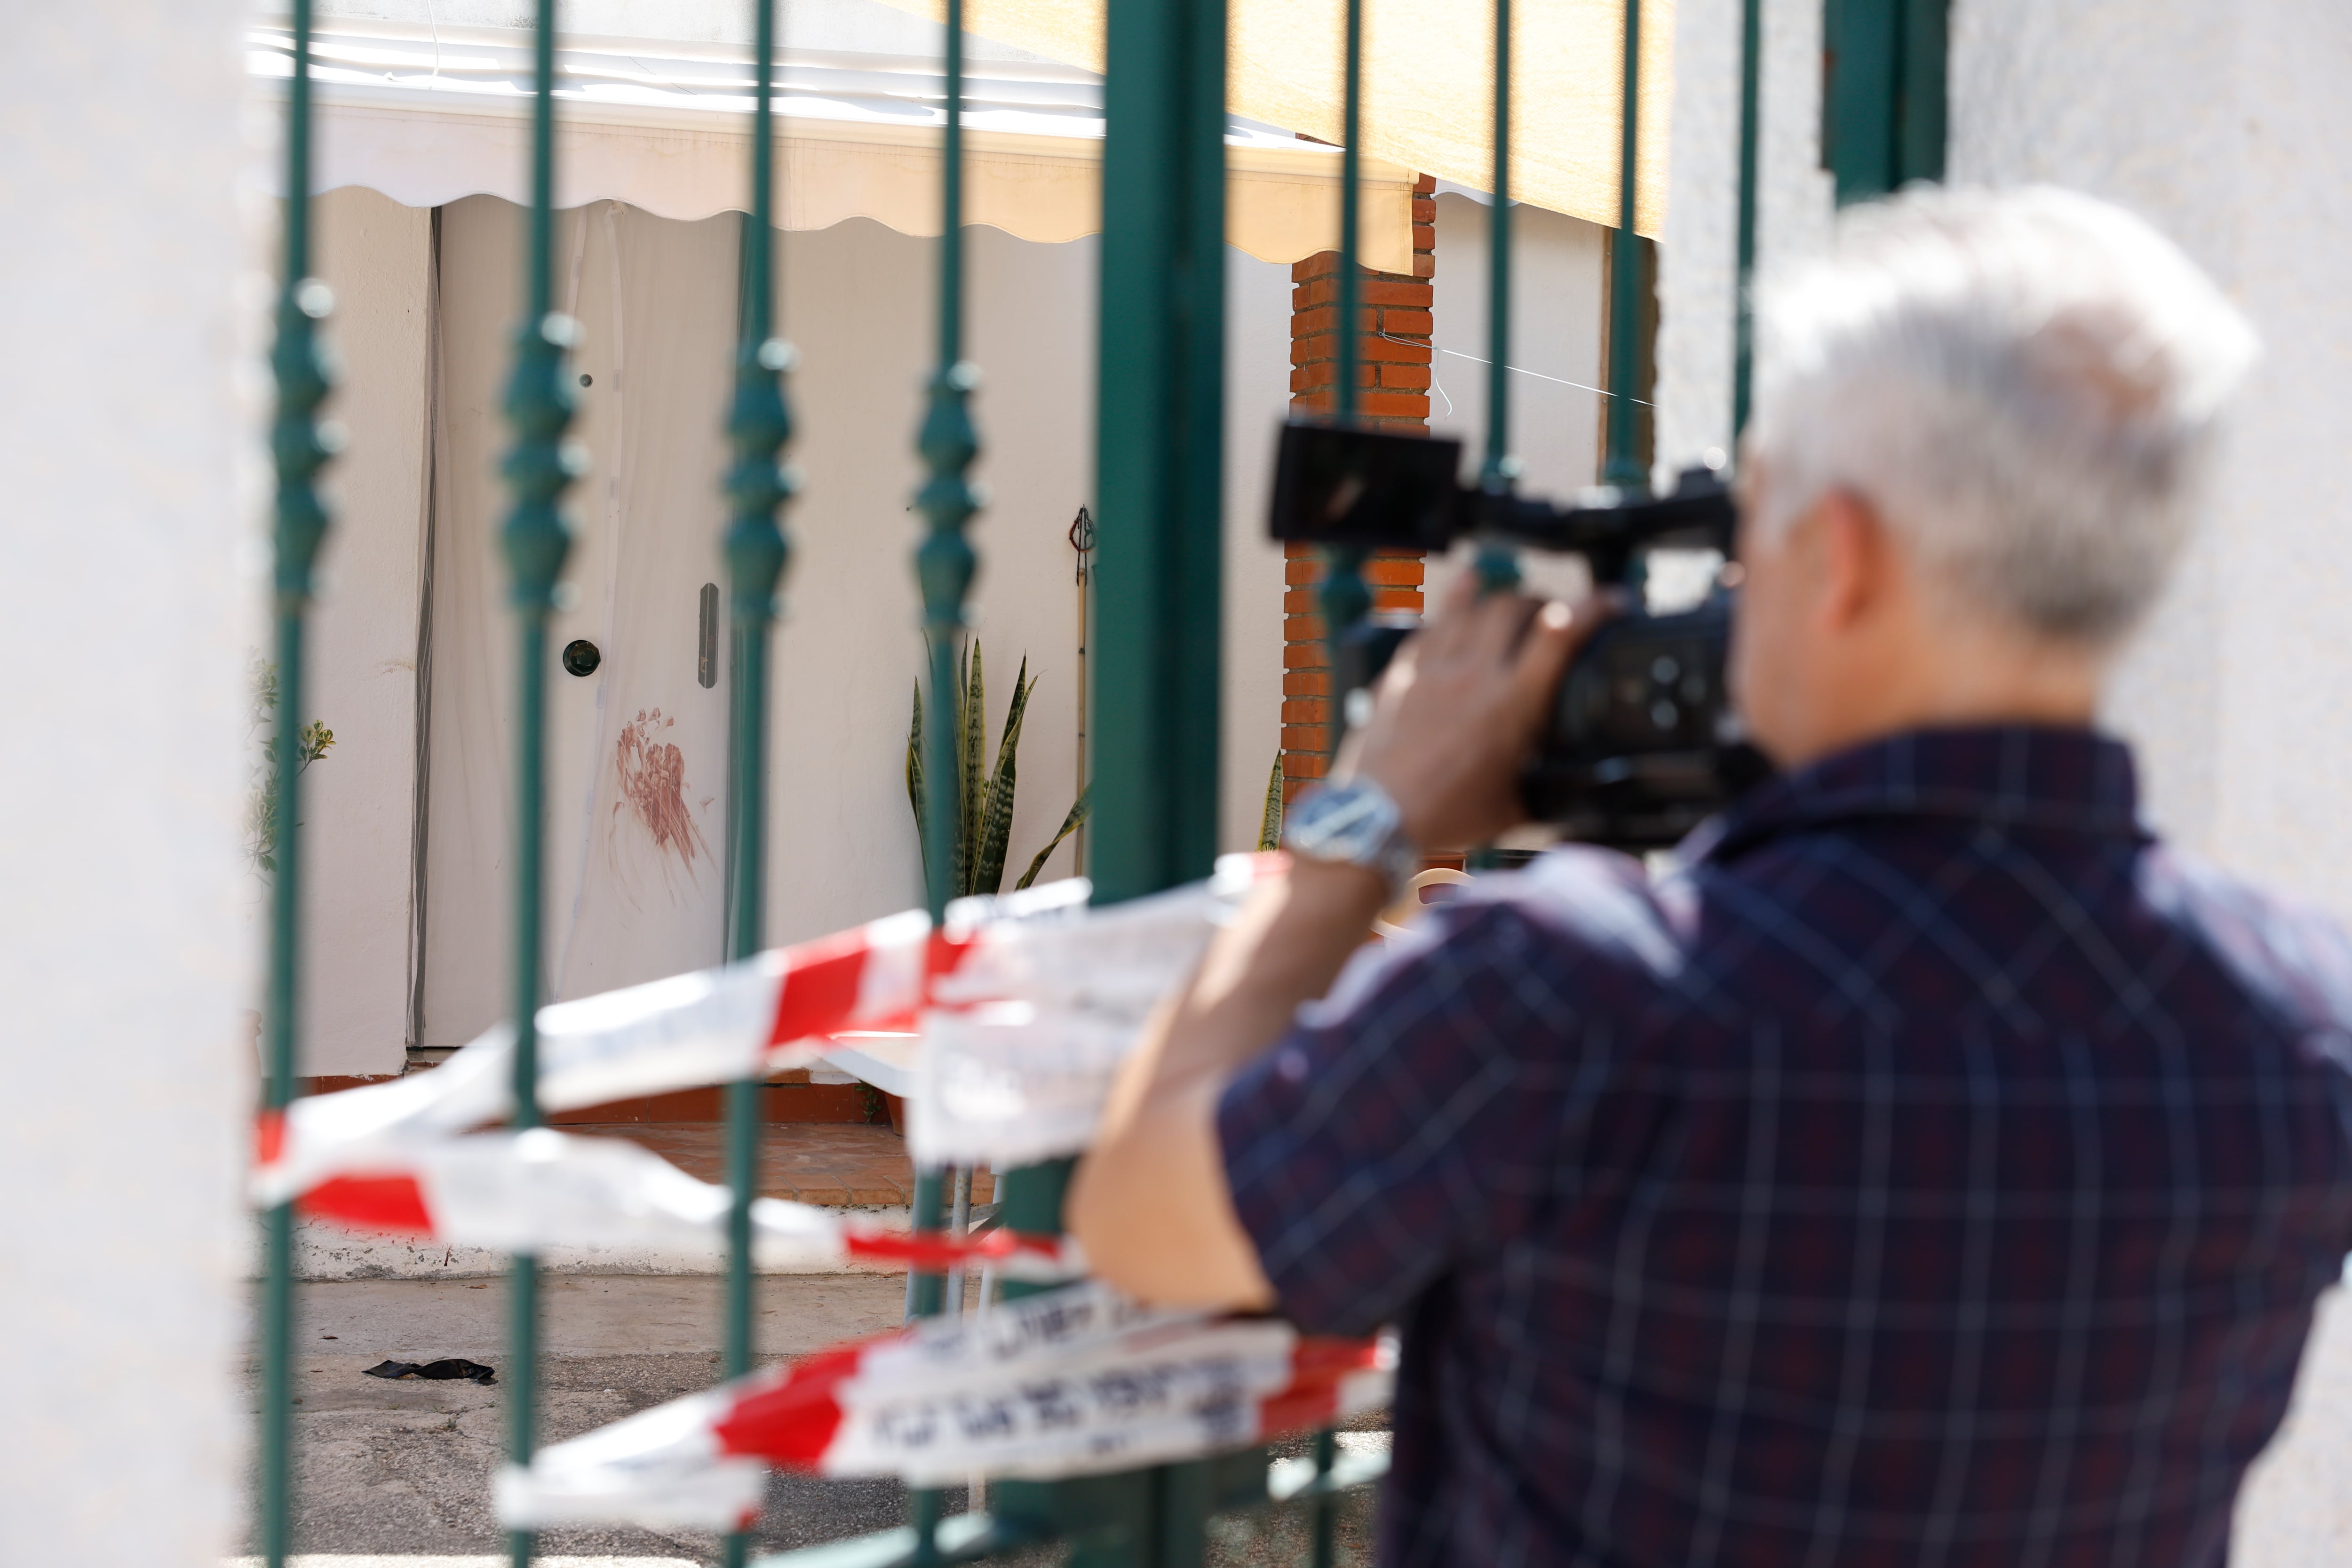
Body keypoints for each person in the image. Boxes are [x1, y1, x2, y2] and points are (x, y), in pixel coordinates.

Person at [1068, 186, 2352, 1567]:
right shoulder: (2298, 1021)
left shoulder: (1566, 992)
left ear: (1839, 556)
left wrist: (1367, 817)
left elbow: (1146, 1217)